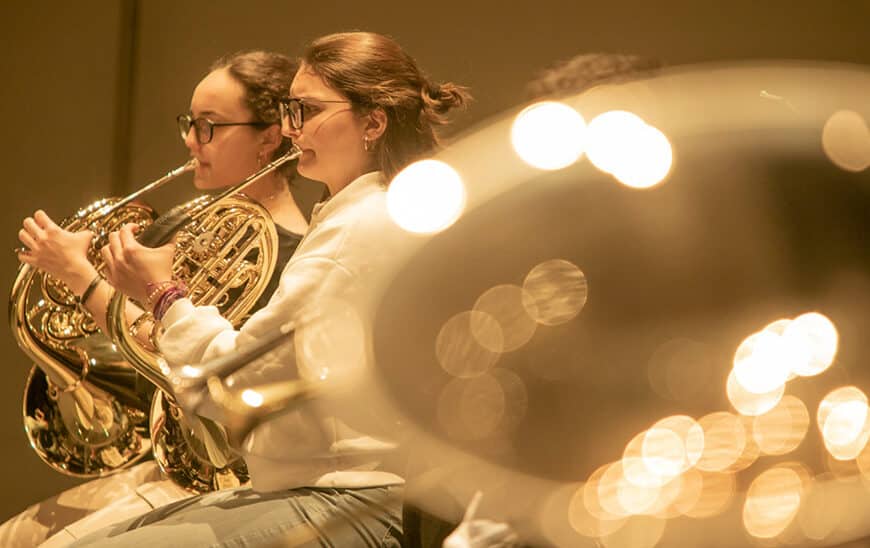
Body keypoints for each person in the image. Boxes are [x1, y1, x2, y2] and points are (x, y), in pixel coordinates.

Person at [63, 31, 469, 547]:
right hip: (322, 485)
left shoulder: (359, 228)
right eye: (289, 110)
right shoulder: (364, 213)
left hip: (352, 496)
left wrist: (163, 293)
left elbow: (241, 385)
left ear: (373, 122)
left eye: (307, 111)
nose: (292, 128)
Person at [4, 49, 309, 547]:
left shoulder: (290, 253)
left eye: (208, 126)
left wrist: (81, 276)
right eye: (189, 123)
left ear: (269, 138)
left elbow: (200, 371)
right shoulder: (191, 223)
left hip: (217, 475)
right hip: (157, 462)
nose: (190, 140)